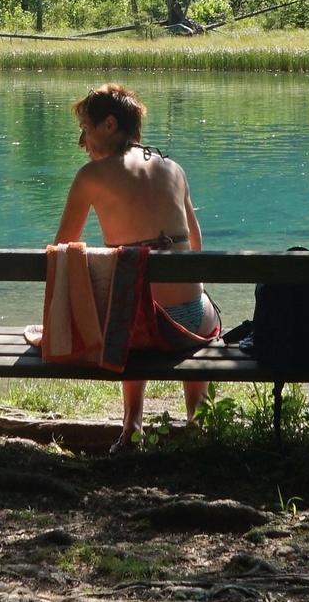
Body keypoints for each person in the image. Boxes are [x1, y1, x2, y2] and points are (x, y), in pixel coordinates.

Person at [51, 83, 214, 442]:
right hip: (194, 323)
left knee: (129, 300)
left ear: (110, 125)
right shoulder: (174, 168)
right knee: (173, 303)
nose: (82, 143)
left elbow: (62, 249)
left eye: (85, 129)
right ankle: (197, 421)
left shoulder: (90, 177)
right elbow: (197, 245)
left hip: (135, 328)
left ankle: (132, 426)